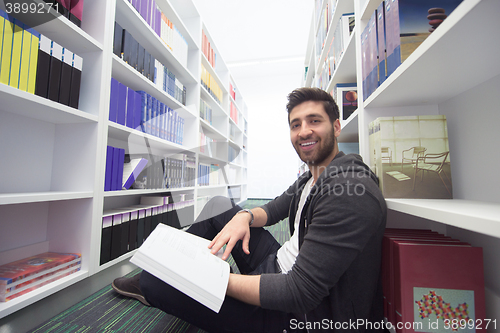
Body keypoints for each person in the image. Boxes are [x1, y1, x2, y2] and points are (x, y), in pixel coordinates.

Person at [112, 87, 387, 332]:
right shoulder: (311, 176)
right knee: (219, 206)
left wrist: (211, 278)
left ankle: (167, 274)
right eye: (296, 124)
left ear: (337, 127)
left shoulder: (350, 191)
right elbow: (272, 209)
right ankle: (174, 263)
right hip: (278, 265)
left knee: (154, 284)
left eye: (315, 121)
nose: (304, 131)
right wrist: (244, 216)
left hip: (296, 315)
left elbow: (300, 292)